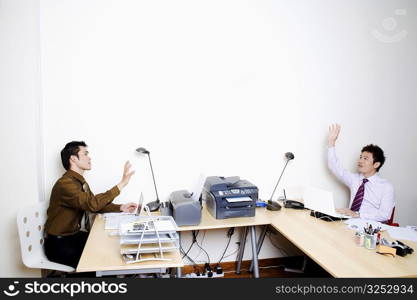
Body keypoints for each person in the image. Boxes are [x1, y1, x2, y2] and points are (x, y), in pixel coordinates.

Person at [44, 141, 137, 268]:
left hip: (73, 237)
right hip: (59, 244)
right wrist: (122, 184)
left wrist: (120, 207)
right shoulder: (65, 184)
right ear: (73, 159)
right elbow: (92, 204)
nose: (89, 157)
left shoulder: (78, 182)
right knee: (100, 261)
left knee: (108, 244)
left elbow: (94, 204)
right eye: (85, 154)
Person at [327, 124, 394, 222]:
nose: (360, 161)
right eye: (360, 157)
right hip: (350, 223)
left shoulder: (386, 187)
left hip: (370, 228)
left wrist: (357, 214)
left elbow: (384, 215)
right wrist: (331, 142)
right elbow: (335, 167)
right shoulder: (354, 179)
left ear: (376, 164)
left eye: (365, 158)